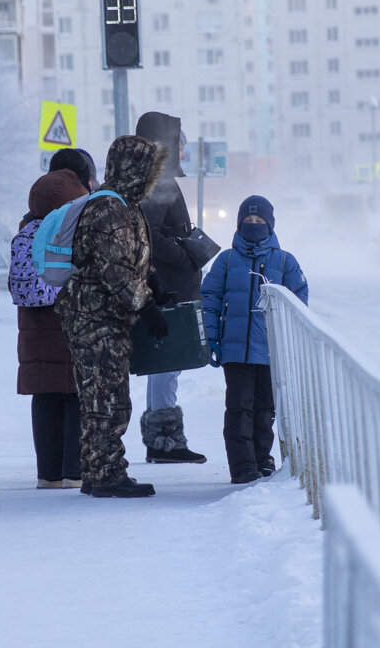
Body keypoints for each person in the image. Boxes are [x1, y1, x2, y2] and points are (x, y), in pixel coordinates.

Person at [56, 134, 168, 498]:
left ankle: (99, 471)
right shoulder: (108, 207)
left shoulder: (127, 205)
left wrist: (154, 285)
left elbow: (133, 258)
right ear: (132, 168)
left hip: (107, 317)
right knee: (105, 398)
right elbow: (114, 268)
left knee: (105, 395)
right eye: (147, 168)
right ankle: (105, 475)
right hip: (94, 319)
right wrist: (145, 303)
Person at [201, 195, 308, 484]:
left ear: (270, 224)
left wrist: (291, 344)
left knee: (265, 411)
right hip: (235, 350)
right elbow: (209, 300)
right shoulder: (226, 260)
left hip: (271, 352)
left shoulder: (285, 261)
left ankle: (262, 460)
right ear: (239, 223)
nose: (253, 225)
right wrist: (211, 339)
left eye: (259, 221)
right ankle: (243, 466)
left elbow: (298, 305)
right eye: (248, 220)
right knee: (239, 409)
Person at [133, 111, 207, 464]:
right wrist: (184, 256)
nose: (183, 153)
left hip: (167, 285)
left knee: (165, 364)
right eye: (181, 145)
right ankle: (165, 441)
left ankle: (160, 440)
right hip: (168, 287)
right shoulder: (158, 179)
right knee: (167, 364)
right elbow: (152, 234)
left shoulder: (152, 177)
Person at [9, 168, 90, 488]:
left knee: (44, 399)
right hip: (67, 327)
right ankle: (73, 471)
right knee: (74, 396)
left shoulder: (24, 234)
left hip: (33, 334)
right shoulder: (67, 233)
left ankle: (48, 474)